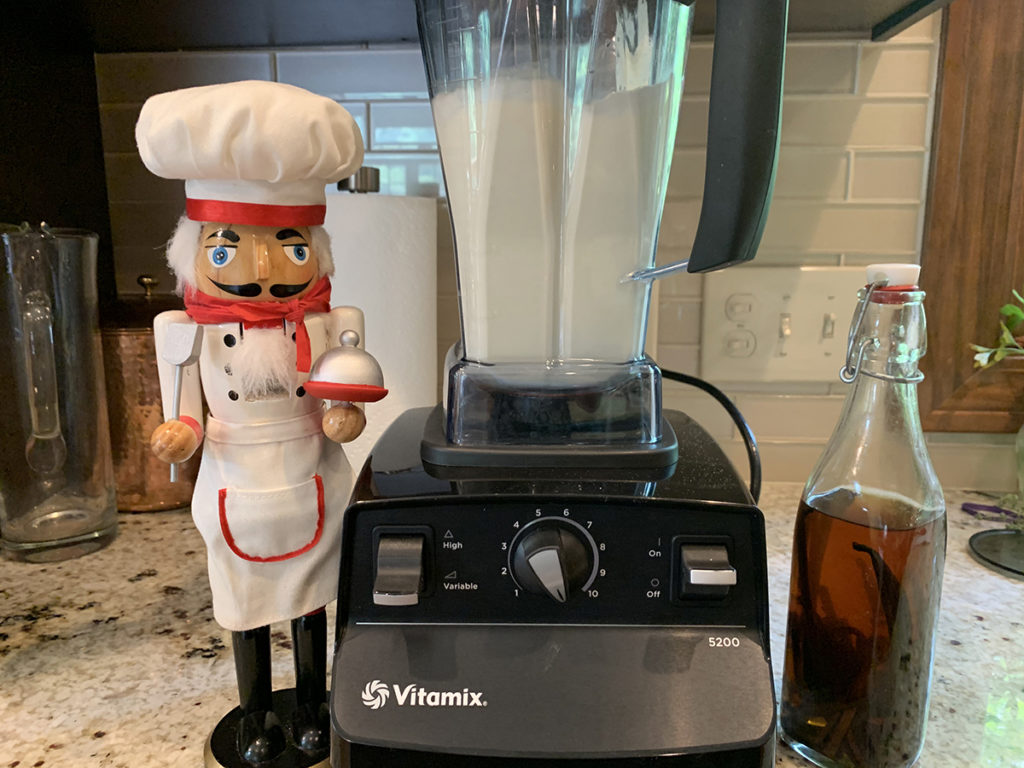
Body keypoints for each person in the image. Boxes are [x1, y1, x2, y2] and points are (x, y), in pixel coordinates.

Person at [137, 80, 369, 766]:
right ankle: (258, 713)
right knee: (242, 610)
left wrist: (343, 417)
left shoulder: (329, 323)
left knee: (309, 607)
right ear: (196, 249)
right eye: (230, 246)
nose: (262, 269)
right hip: (234, 479)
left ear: (315, 252)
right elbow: (183, 408)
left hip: (310, 474)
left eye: (289, 247)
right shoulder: (185, 330)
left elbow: (341, 392)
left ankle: (310, 708)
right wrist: (181, 432)